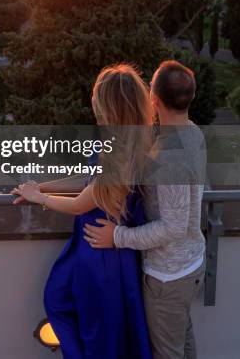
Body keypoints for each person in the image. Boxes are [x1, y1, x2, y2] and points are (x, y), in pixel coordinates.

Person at [12, 64, 153, 359]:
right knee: (84, 317)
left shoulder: (121, 154)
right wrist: (44, 187)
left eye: (97, 99)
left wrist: (38, 197)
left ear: (109, 108)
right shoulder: (129, 141)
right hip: (99, 249)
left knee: (97, 331)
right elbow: (88, 180)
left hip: (102, 255)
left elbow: (81, 204)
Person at [83, 60, 206, 359]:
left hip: (168, 276)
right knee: (182, 339)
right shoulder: (192, 132)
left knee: (167, 353)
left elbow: (172, 227)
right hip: (188, 265)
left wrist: (118, 236)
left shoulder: (169, 156)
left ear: (154, 98)